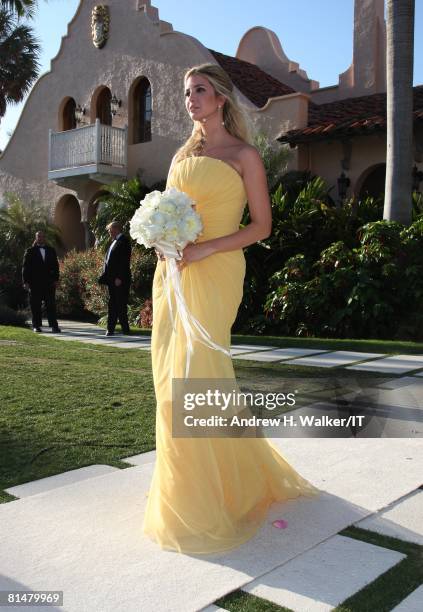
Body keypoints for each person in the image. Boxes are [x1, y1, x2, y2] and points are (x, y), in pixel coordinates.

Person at [142, 64, 320, 555]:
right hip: (173, 273)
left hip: (216, 271)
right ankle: (191, 489)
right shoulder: (184, 154)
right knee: (169, 380)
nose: (190, 99)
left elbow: (261, 227)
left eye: (199, 90)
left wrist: (205, 248)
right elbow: (173, 212)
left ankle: (212, 495)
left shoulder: (244, 156)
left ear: (220, 98)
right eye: (185, 92)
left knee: (198, 376)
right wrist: (164, 240)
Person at [22, 230, 61, 333]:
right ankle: (36, 326)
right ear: (36, 238)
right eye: (39, 236)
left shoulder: (51, 250)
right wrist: (25, 282)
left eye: (42, 236)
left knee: (51, 305)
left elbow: (56, 266)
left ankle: (54, 326)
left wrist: (56, 280)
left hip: (49, 283)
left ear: (45, 238)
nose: (41, 238)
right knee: (35, 306)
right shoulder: (30, 251)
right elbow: (25, 268)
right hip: (35, 283)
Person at [99, 220, 131, 336]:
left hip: (119, 280)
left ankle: (124, 329)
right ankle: (111, 329)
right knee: (113, 304)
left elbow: (124, 261)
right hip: (112, 279)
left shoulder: (124, 241)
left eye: (110, 230)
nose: (108, 232)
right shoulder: (113, 242)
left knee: (120, 304)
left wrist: (119, 277)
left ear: (116, 229)